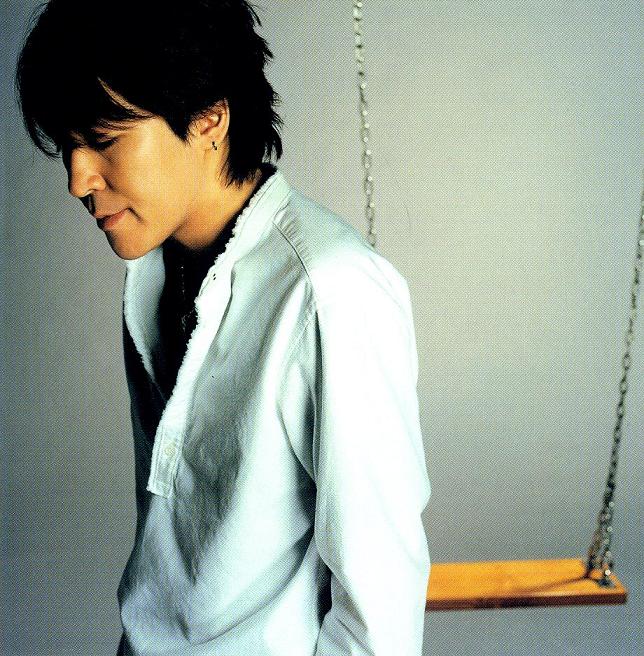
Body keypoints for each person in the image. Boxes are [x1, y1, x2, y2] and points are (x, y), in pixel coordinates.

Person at [14, 1, 432, 654]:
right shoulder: (154, 268)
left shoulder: (331, 291)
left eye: (103, 140)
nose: (77, 179)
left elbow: (381, 606)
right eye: (69, 145)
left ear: (210, 118)